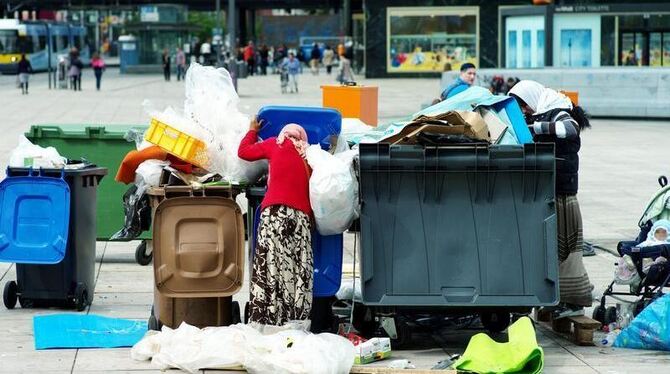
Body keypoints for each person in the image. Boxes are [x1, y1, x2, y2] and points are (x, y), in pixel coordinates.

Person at [509, 80, 593, 319]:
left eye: (524, 105)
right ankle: (555, 299)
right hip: (549, 190)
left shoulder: (558, 110)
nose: (524, 111)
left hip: (563, 192)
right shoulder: (542, 112)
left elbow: (570, 129)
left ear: (532, 99)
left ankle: (574, 300)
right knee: (550, 248)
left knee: (566, 246)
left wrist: (534, 128)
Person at [238, 118, 313, 326]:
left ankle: (267, 320)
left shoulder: (274, 143)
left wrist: (252, 130)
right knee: (297, 270)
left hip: (273, 215)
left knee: (269, 267)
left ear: (284, 134)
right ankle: (294, 322)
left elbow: (243, 151)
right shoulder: (310, 154)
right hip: (299, 219)